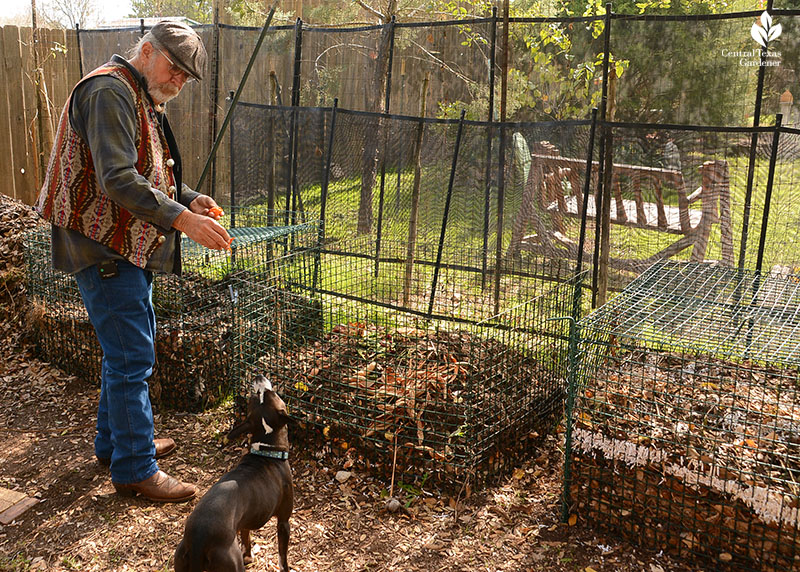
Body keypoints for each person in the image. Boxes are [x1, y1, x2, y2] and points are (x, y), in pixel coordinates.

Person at [34, 21, 232, 503]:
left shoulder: (137, 95)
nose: (179, 81)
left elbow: (148, 173)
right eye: (175, 68)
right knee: (132, 356)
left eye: (186, 77)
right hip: (101, 245)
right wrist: (182, 219)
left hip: (123, 242)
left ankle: (117, 445)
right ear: (146, 51)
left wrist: (189, 197)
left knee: (124, 348)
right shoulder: (108, 91)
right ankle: (135, 469)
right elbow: (118, 179)